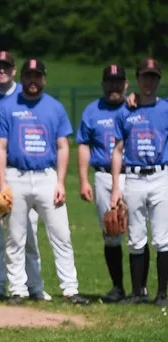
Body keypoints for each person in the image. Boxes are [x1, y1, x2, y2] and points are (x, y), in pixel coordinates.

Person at [0, 58, 88, 305]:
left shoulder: (54, 108)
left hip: (47, 177)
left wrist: (61, 182)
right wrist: (2, 183)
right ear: (22, 77)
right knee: (15, 237)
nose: (32, 80)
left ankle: (70, 289)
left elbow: (62, 146)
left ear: (44, 78)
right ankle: (17, 289)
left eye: (37, 75)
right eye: (28, 75)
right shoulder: (8, 107)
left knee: (61, 234)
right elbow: (0, 147)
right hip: (16, 176)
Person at [0, 51, 49, 301]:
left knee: (27, 229)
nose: (1, 69)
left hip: (18, 169)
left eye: (6, 65)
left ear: (14, 70)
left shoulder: (25, 94)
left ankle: (34, 285)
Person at [110, 57, 168, 306]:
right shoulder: (126, 110)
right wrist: (115, 187)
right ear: (137, 78)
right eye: (145, 75)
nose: (149, 80)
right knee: (135, 237)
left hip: (161, 175)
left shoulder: (165, 109)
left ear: (158, 80)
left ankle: (163, 293)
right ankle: (137, 292)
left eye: (153, 76)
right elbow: (117, 150)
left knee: (163, 238)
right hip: (133, 176)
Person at [76, 64, 134, 303]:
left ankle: (140, 289)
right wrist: (83, 180)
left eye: (118, 82)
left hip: (132, 175)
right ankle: (118, 288)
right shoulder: (92, 111)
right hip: (102, 176)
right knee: (111, 231)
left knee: (137, 233)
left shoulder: (134, 107)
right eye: (110, 82)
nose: (114, 86)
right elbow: (83, 144)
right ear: (102, 85)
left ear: (126, 84)